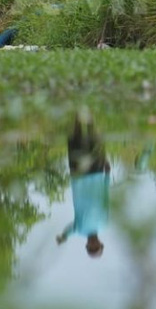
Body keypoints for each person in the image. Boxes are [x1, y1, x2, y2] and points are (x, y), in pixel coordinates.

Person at [56, 109, 111, 258]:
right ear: (101, 243)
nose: (93, 245)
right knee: (96, 143)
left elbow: (68, 231)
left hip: (79, 178)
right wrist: (107, 176)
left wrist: (63, 237)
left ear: (86, 245)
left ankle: (76, 113)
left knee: (76, 141)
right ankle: (91, 113)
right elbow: (106, 200)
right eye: (96, 247)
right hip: (98, 175)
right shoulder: (104, 224)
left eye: (91, 248)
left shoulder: (79, 230)